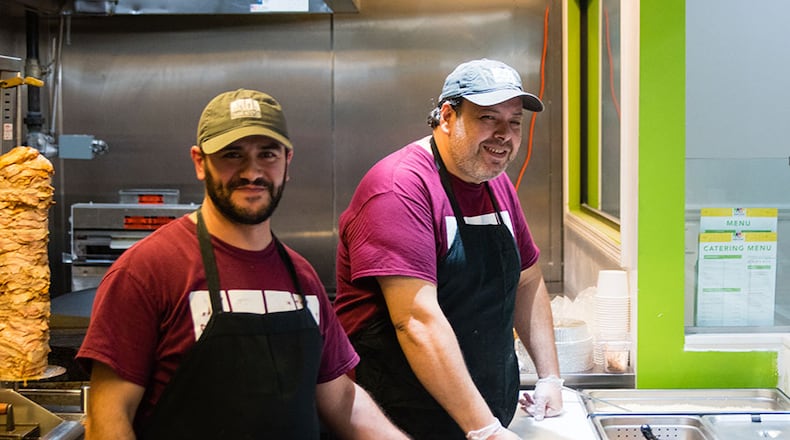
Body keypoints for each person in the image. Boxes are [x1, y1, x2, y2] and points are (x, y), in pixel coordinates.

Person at [76, 89, 409, 440]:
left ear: (287, 161)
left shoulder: (301, 278)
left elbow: (343, 400)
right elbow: (109, 417)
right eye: (232, 155)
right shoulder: (147, 270)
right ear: (199, 162)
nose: (252, 172)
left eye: (267, 154)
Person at [333, 59, 564, 439]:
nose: (504, 135)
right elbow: (416, 321)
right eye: (489, 118)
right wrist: (484, 429)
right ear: (446, 117)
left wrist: (549, 376)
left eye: (515, 121)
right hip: (403, 420)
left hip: (484, 412)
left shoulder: (495, 184)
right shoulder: (399, 188)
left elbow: (528, 281)